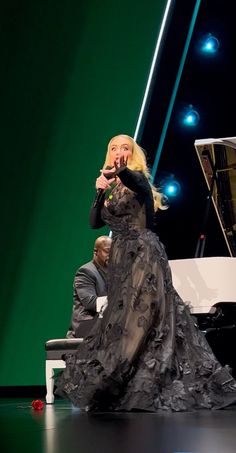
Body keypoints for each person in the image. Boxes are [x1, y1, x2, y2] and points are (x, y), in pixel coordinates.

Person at [57, 134, 236, 412]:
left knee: (138, 319)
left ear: (132, 154)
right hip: (120, 259)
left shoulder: (137, 180)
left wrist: (121, 171)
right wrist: (99, 191)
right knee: (128, 320)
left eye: (125, 148)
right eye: (114, 148)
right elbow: (94, 223)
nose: (119, 151)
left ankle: (130, 384)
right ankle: (127, 386)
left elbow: (135, 180)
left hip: (143, 254)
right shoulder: (112, 187)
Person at [66, 236, 112, 338]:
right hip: (84, 329)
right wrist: (118, 301)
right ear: (96, 252)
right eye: (107, 251)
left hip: (102, 328)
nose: (111, 255)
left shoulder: (114, 273)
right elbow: (90, 303)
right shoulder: (85, 272)